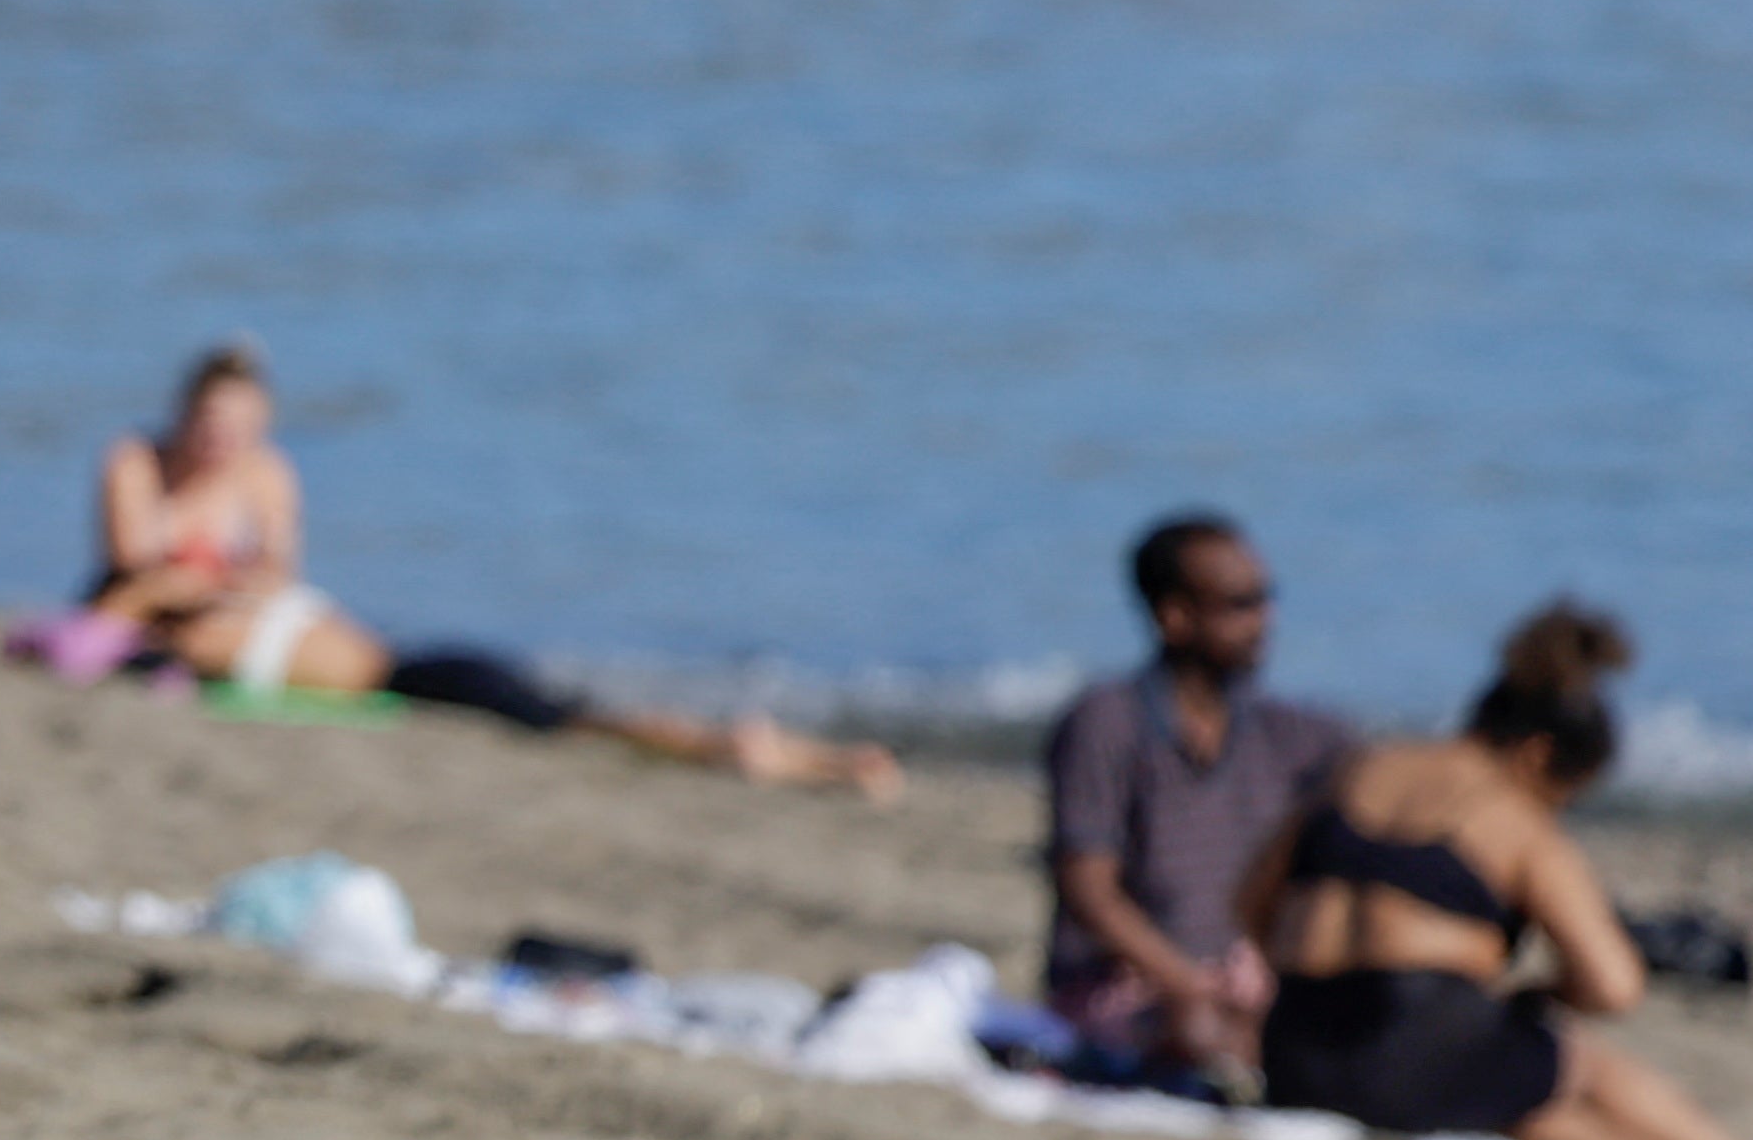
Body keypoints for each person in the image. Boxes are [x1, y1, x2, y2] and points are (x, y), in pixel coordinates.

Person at [89, 344, 901, 794]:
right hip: (375, 675)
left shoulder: (263, 474)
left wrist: (207, 580)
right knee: (559, 716)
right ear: (182, 412)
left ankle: (761, 750)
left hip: (383, 660)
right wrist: (175, 587)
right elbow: (123, 586)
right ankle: (745, 750)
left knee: (551, 704)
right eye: (210, 422)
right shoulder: (139, 475)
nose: (222, 441)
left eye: (240, 424)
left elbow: (275, 569)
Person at [1233, 604, 1753, 1140]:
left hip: (1295, 1052)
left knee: (1521, 1105)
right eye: (1565, 798)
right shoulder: (1511, 813)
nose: (1558, 812)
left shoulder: (1362, 768)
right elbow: (1615, 984)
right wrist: (1541, 994)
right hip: (1411, 1039)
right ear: (1538, 755)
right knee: (1580, 1064)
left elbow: (1251, 903)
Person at [1037, 514, 1349, 1079]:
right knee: (1201, 1031)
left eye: (1266, 597)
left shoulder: (1285, 733)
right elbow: (1088, 889)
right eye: (1241, 603)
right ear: (1175, 616)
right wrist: (1186, 980)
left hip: (1244, 977)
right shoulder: (1106, 724)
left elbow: (1383, 789)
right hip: (1121, 984)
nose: (1265, 618)